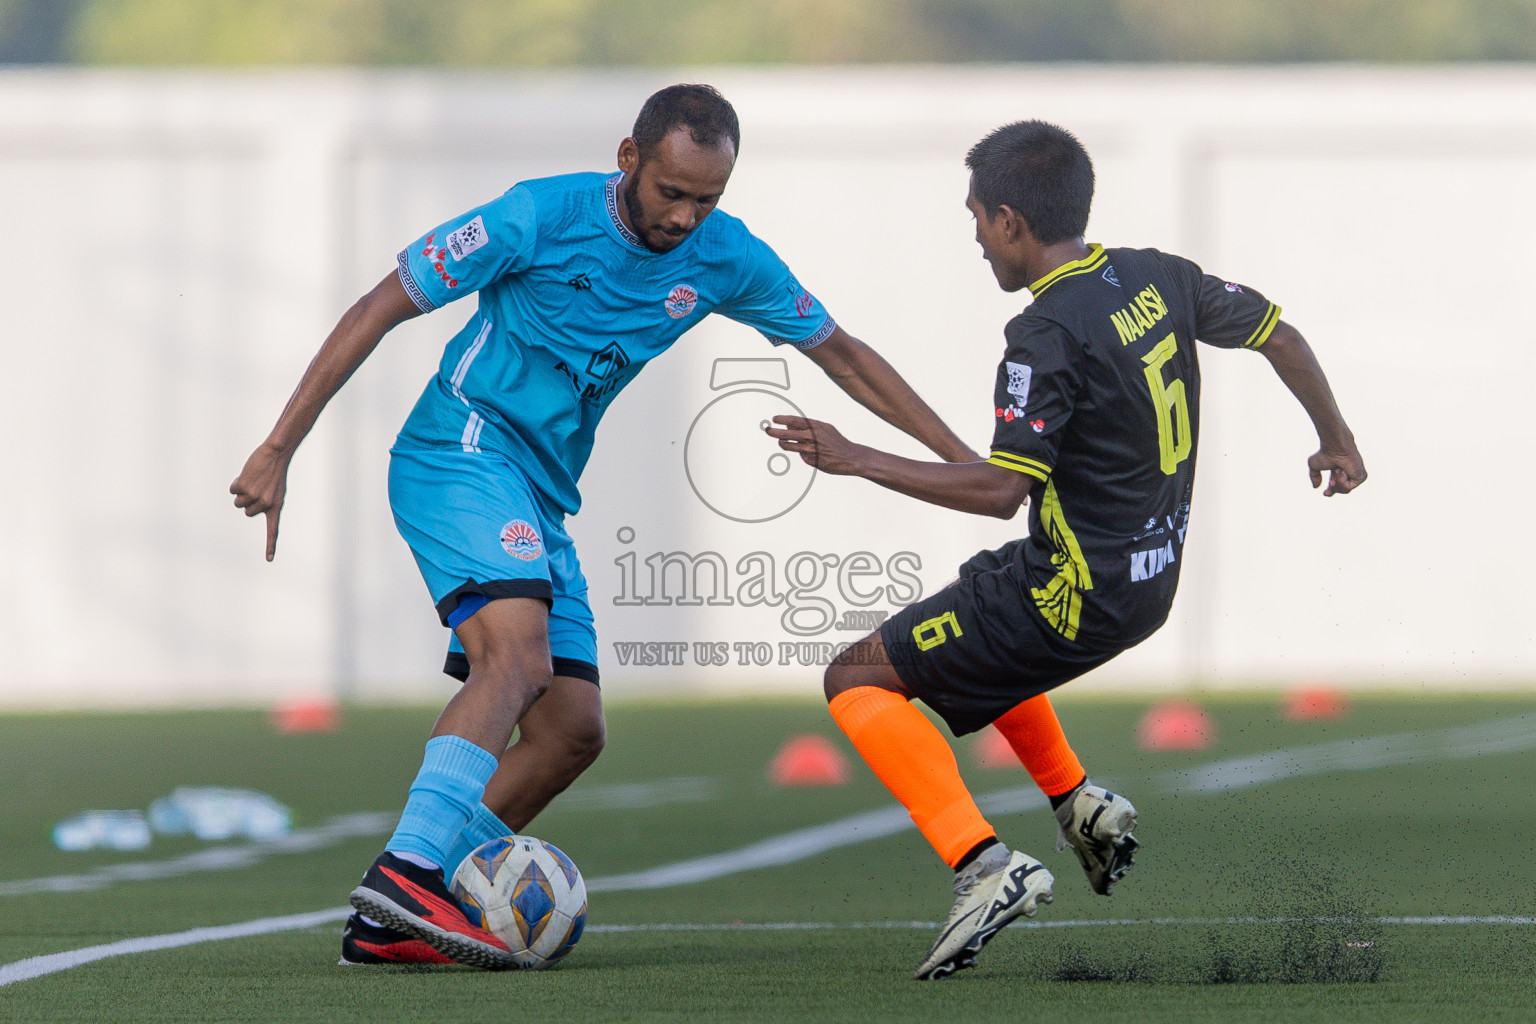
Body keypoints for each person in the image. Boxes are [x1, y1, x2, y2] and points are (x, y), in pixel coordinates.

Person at [229, 84, 979, 969]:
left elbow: (845, 355)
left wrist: (966, 460)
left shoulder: (726, 257)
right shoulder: (535, 217)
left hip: (540, 495)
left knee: (571, 732)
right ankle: (407, 874)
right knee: (516, 658)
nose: (687, 216)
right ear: (629, 158)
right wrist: (280, 447)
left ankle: (390, 920)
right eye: (672, 192)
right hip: (460, 449)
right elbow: (380, 305)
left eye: (708, 200)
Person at [768, 119, 1366, 980]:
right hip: (1148, 586)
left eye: (976, 218)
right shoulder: (1156, 275)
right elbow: (1280, 332)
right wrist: (1336, 440)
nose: (974, 240)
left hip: (1074, 594)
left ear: (1011, 220)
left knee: (856, 678)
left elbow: (998, 491)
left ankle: (984, 865)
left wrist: (853, 456)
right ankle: (1079, 805)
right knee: (984, 617)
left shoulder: (1043, 334)